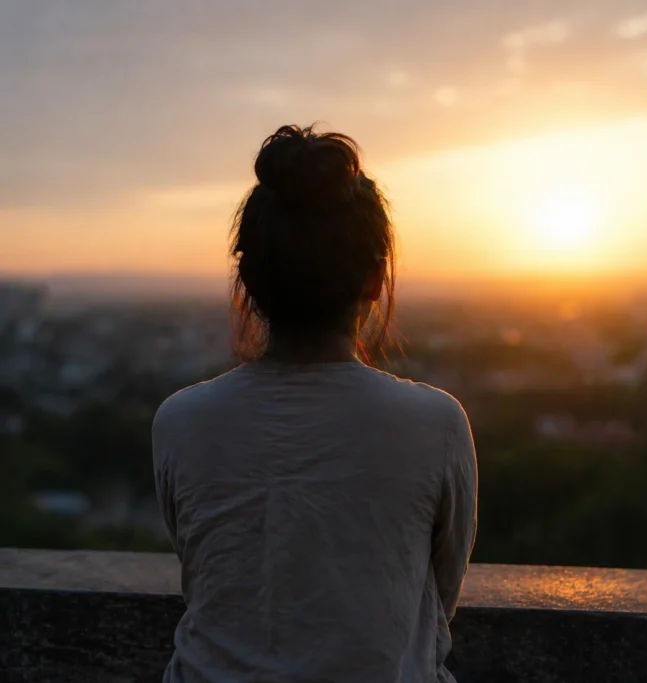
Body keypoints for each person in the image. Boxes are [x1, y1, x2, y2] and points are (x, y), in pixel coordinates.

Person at [152, 124, 478, 683]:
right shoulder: (435, 424)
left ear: (249, 282)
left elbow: (209, 570)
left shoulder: (181, 421)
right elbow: (434, 601)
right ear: (376, 280)